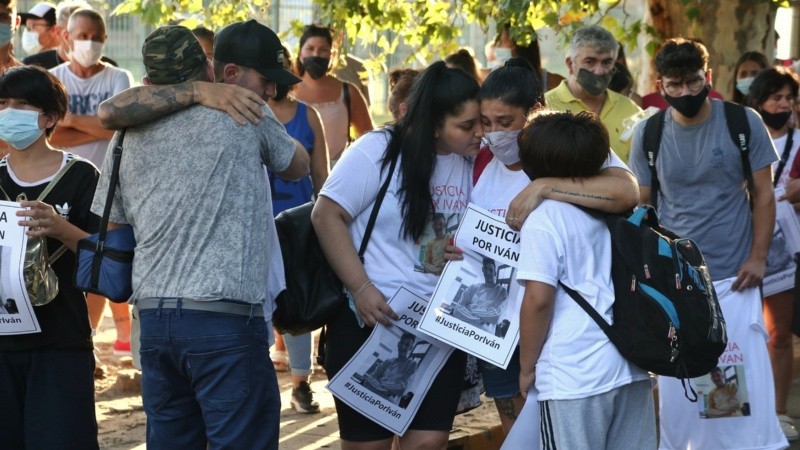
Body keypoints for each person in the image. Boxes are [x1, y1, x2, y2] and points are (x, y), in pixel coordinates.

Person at [92, 22, 309, 448]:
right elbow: (297, 165)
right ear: (208, 69)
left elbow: (114, 224)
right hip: (225, 322)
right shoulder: (244, 111)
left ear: (149, 82)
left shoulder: (126, 136)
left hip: (154, 321)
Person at [463, 57, 640, 437]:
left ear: (534, 113)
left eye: (505, 122)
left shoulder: (567, 149)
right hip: (497, 331)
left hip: (561, 337)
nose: (494, 134)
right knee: (521, 435)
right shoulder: (478, 162)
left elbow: (626, 192)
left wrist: (543, 186)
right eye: (486, 122)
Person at [627, 37, 786, 450]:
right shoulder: (649, 133)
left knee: (734, 382)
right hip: (679, 282)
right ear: (660, 84)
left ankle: (742, 444)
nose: (685, 93)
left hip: (736, 277)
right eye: (674, 85)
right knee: (684, 383)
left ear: (709, 77)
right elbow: (644, 205)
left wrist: (758, 256)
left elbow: (763, 194)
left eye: (694, 82)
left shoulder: (742, 121)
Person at [311, 60, 480, 449]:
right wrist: (361, 287)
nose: (479, 133)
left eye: (480, 122)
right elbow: (326, 214)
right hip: (372, 323)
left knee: (428, 442)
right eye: (467, 126)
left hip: (438, 330)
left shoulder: (473, 159)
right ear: (435, 123)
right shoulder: (378, 150)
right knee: (370, 444)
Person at [516, 109, 656, 449]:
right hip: (631, 364)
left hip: (572, 373)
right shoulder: (619, 210)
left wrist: (526, 366)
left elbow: (538, 300)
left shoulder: (544, 219)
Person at [0, 64, 100, 449]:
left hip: (60, 341)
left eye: (22, 104)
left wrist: (62, 229)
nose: (9, 111)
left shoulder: (82, 177)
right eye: (3, 102)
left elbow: (104, 258)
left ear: (51, 117)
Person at [48, 7, 134, 362]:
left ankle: (88, 336)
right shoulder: (51, 78)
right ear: (66, 37)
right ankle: (66, 334)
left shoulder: (118, 78)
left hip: (108, 188)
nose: (89, 43)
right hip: (59, 185)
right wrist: (94, 123)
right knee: (61, 261)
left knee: (96, 257)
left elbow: (118, 127)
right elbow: (48, 131)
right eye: (82, 36)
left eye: (96, 37)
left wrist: (68, 119)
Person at [267, 45, 329, 415]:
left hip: (298, 225)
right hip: (259, 222)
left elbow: (321, 175)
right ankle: (257, 381)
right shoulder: (250, 114)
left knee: (300, 300)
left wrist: (325, 221)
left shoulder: (309, 116)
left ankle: (300, 383)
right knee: (260, 303)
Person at [747, 66, 800, 441]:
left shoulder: (799, 141)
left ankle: (779, 411)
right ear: (758, 102)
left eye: (788, 98)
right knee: (739, 333)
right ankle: (740, 410)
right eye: (775, 97)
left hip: (786, 250)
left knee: (778, 333)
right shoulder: (742, 138)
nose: (782, 105)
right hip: (740, 244)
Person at [545, 25, 641, 162]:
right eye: (590, 62)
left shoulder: (629, 109)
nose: (599, 71)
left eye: (607, 62)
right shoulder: (545, 107)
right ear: (570, 64)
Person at [292, 24, 373, 166]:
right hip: (294, 177)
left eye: (323, 50)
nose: (316, 55)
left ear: (332, 54)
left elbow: (369, 139)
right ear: (300, 53)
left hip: (338, 176)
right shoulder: (288, 90)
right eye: (310, 49)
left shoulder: (348, 92)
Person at [493, 24, 564, 91]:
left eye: (501, 42)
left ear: (519, 46)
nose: (496, 47)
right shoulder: (490, 79)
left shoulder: (556, 84)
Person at [451, 257, 508, 332]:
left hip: (483, 337)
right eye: (486, 269)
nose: (488, 272)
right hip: (463, 330)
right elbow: (457, 309)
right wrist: (481, 320)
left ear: (495, 273)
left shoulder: (501, 292)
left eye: (491, 270)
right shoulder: (473, 287)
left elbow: (496, 317)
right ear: (483, 270)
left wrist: (470, 307)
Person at [362, 332, 419, 402]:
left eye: (407, 345)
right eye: (402, 343)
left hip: (387, 406)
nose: (403, 347)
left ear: (410, 348)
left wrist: (380, 381)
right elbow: (369, 379)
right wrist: (388, 389)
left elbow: (402, 389)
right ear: (398, 344)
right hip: (370, 399)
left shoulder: (412, 364)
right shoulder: (388, 361)